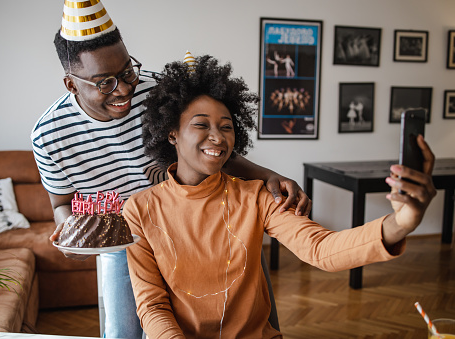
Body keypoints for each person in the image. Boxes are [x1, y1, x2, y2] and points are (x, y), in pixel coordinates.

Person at [31, 2, 311, 338]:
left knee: (258, 322)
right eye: (104, 83)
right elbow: (61, 204)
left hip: (196, 221)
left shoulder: (156, 92)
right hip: (126, 239)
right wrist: (73, 236)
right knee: (124, 332)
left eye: (127, 71)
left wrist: (268, 176)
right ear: (72, 84)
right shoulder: (49, 136)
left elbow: (210, 149)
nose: (123, 89)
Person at [123, 54, 437, 338]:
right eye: (201, 125)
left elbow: (322, 250)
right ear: (172, 133)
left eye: (227, 126)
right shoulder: (139, 210)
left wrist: (402, 222)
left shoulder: (255, 197)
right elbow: (152, 307)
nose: (217, 137)